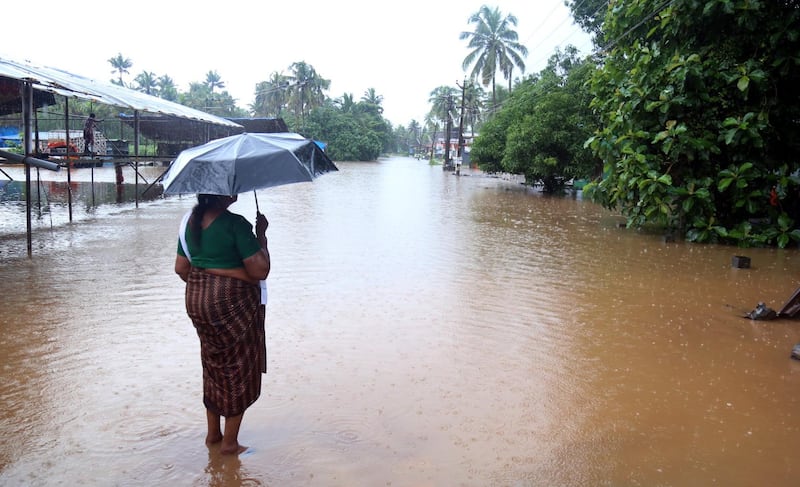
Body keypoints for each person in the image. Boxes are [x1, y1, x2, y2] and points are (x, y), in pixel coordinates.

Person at [174, 194, 270, 455]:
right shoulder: (236, 225)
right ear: (223, 193)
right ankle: (230, 444)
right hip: (231, 306)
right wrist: (261, 236)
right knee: (238, 368)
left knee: (213, 363)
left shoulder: (188, 222)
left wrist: (208, 281)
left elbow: (181, 268)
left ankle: (213, 435)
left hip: (196, 302)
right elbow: (260, 270)